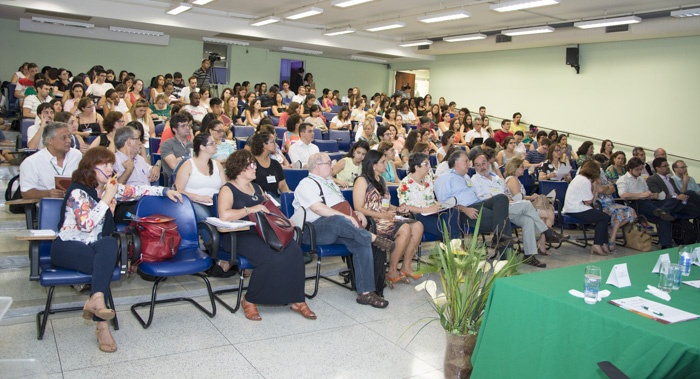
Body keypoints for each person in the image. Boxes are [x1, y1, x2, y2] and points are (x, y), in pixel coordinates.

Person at [51, 147, 181, 352]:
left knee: (110, 244)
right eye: (106, 165)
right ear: (90, 167)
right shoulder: (78, 191)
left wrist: (164, 190)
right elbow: (86, 225)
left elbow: (138, 190)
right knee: (102, 264)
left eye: (112, 164)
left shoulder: (111, 188)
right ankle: (102, 324)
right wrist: (106, 199)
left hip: (96, 248)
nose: (111, 169)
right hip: (68, 247)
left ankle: (97, 301)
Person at [219, 150, 316, 320]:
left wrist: (286, 220)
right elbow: (224, 215)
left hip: (262, 233)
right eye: (251, 164)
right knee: (270, 257)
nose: (255, 167)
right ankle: (249, 300)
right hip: (238, 235)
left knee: (294, 251)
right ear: (240, 168)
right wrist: (250, 209)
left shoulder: (257, 188)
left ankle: (297, 299)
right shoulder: (228, 189)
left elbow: (270, 210)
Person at [293, 153, 390, 308]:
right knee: (339, 220)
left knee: (359, 242)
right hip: (313, 230)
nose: (333, 166)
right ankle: (373, 238)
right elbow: (318, 208)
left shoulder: (330, 183)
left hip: (339, 228)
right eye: (329, 163)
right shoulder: (306, 183)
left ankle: (366, 293)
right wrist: (346, 218)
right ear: (317, 166)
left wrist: (355, 213)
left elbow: (341, 205)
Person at [472, 154, 564, 267]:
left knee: (527, 220)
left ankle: (529, 255)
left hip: (508, 207)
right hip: (494, 210)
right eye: (478, 165)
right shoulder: (475, 180)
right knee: (526, 204)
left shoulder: (497, 178)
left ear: (488, 163)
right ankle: (547, 231)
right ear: (475, 167)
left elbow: (505, 194)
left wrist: (509, 200)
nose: (482, 167)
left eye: (483, 163)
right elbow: (483, 199)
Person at [353, 150, 424, 283]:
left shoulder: (382, 180)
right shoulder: (361, 181)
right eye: (383, 162)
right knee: (404, 229)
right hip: (371, 221)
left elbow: (386, 204)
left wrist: (398, 209)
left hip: (385, 217)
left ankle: (406, 267)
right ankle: (392, 270)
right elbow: (358, 208)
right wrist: (382, 215)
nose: (387, 164)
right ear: (374, 165)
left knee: (417, 226)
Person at [434, 150, 514, 254]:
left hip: (480, 204)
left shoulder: (466, 177)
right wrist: (464, 209)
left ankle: (498, 237)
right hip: (465, 210)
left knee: (501, 198)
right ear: (456, 162)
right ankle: (506, 257)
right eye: (466, 161)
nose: (469, 164)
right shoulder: (444, 178)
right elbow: (444, 205)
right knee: (503, 220)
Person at [398, 152, 462, 240]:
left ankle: (453, 246)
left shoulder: (428, 178)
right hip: (419, 214)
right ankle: (454, 246)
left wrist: (439, 205)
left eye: (429, 163)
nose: (429, 167)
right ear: (416, 167)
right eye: (426, 164)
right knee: (447, 225)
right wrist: (426, 210)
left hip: (433, 211)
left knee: (453, 212)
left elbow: (431, 198)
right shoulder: (406, 183)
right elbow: (405, 207)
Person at [617, 157, 677, 249]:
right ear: (630, 169)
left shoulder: (641, 179)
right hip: (634, 204)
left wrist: (652, 195)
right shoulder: (623, 179)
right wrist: (642, 195)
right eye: (637, 169)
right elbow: (623, 195)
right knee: (647, 205)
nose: (639, 171)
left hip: (648, 202)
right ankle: (661, 211)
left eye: (641, 169)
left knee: (672, 200)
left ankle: (666, 244)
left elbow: (647, 192)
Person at [20, 122, 83, 199]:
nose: (69, 140)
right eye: (63, 138)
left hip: (77, 204)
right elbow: (26, 192)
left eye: (69, 136)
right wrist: (47, 194)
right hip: (48, 205)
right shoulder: (31, 162)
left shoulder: (76, 155)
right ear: (49, 140)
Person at [174, 133, 226, 224]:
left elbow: (226, 187)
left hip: (215, 201)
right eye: (212, 143)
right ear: (202, 147)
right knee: (206, 218)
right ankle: (211, 238)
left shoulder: (217, 165)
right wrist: (199, 197)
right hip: (194, 201)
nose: (215, 145)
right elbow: (178, 189)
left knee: (226, 215)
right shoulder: (188, 165)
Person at [563, 160, 612, 256]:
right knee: (604, 218)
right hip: (576, 209)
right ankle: (598, 244)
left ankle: (603, 243)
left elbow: (588, 202)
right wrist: (594, 188)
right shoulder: (585, 181)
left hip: (574, 207)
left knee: (604, 217)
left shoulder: (579, 178)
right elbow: (590, 201)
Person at [594, 161, 637, 252]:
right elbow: (599, 189)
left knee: (631, 210)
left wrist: (605, 189)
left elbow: (612, 188)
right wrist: (605, 188)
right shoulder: (591, 177)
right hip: (599, 204)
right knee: (619, 212)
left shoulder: (602, 174)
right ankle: (612, 238)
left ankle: (612, 232)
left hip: (610, 202)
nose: (599, 168)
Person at [250, 132, 290, 202]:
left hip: (275, 199)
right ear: (264, 144)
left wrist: (287, 199)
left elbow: (283, 186)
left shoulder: (275, 164)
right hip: (259, 199)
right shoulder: (251, 163)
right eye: (273, 141)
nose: (276, 144)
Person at [160, 113, 193, 179]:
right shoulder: (167, 144)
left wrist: (181, 159)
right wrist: (190, 160)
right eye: (183, 126)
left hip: (193, 178)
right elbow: (174, 165)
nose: (187, 128)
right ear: (174, 129)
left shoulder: (193, 144)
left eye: (188, 125)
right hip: (175, 181)